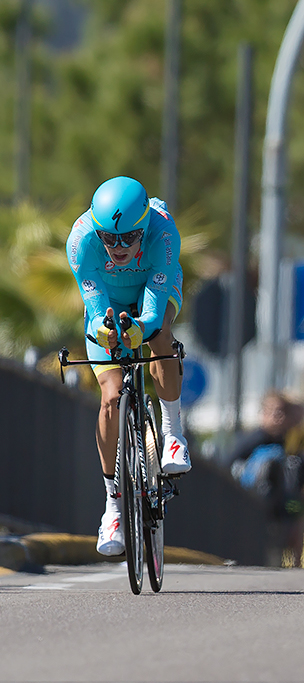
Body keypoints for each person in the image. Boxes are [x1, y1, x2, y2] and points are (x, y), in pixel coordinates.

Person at [66, 176, 190, 556]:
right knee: (110, 397)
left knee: (160, 337)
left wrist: (140, 328)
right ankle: (112, 507)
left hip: (153, 295)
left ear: (144, 226)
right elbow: (94, 305)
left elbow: (152, 312)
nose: (118, 248)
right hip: (107, 304)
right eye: (110, 239)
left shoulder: (163, 231)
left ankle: (172, 431)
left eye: (128, 238)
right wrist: (108, 332)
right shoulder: (81, 240)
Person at [229, 391, 304, 564]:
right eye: (274, 412)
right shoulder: (254, 439)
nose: (278, 417)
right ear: (262, 414)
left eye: (283, 413)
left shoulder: (285, 439)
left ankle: (296, 562)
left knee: (300, 509)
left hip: (280, 501)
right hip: (252, 499)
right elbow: (229, 464)